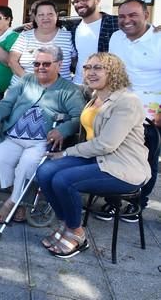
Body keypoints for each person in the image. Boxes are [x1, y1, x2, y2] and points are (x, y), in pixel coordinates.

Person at [36, 53, 150, 259]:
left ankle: (77, 234)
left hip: (121, 167)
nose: (90, 72)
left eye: (98, 68)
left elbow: (107, 144)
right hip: (95, 158)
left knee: (63, 180)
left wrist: (67, 152)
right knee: (45, 171)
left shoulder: (127, 101)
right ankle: (67, 224)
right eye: (87, 67)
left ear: (113, 72)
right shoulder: (94, 96)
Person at [0, 46, 84, 223]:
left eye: (46, 64)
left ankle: (12, 202)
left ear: (59, 64)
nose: (40, 67)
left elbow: (79, 118)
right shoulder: (26, 80)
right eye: (37, 63)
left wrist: (63, 130)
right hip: (13, 135)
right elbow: (7, 102)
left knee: (27, 164)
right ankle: (19, 197)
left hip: (41, 141)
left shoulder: (69, 90)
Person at [109, 0, 161, 221]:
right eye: (122, 16)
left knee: (146, 160)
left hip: (150, 113)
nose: (126, 20)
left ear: (146, 15)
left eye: (133, 15)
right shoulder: (116, 37)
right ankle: (112, 201)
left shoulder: (158, 39)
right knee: (114, 155)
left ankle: (138, 202)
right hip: (118, 108)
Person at [9, 0, 74, 85]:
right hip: (24, 89)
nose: (45, 18)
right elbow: (12, 61)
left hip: (59, 91)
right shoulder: (25, 36)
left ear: (57, 15)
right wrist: (31, 82)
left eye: (50, 14)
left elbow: (77, 62)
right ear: (35, 18)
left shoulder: (69, 36)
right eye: (41, 15)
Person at [70, 0, 118, 85]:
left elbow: (138, 27)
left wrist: (155, 29)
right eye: (76, 1)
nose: (79, 4)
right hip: (79, 84)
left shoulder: (115, 23)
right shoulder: (74, 28)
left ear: (97, 0)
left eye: (84, 0)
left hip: (105, 86)